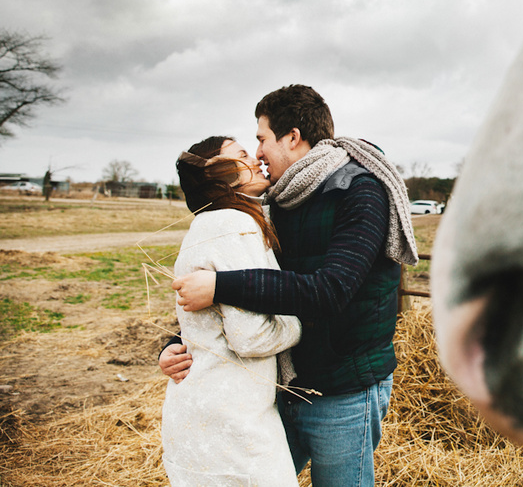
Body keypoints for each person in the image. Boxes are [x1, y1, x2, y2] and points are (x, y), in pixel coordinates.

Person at [161, 84, 418, 487]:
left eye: (261, 139)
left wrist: (218, 287)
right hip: (285, 386)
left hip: (342, 390)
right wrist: (182, 341)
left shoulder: (359, 191)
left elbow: (330, 290)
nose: (258, 152)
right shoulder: (276, 200)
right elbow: (253, 285)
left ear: (293, 137)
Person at [161, 136, 302, 486]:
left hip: (213, 412)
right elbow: (250, 337)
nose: (256, 159)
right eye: (241, 155)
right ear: (220, 174)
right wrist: (300, 323)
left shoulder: (214, 222)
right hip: (230, 421)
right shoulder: (229, 225)